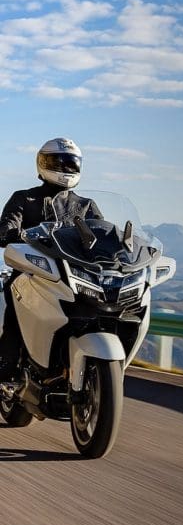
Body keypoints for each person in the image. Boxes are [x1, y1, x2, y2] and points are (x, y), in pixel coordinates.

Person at [0, 138, 102, 381]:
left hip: (74, 278)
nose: (65, 169)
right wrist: (15, 234)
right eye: (57, 162)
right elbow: (6, 228)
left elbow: (103, 236)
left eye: (70, 163)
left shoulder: (86, 206)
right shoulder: (24, 198)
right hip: (31, 275)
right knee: (16, 312)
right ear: (42, 164)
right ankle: (6, 368)